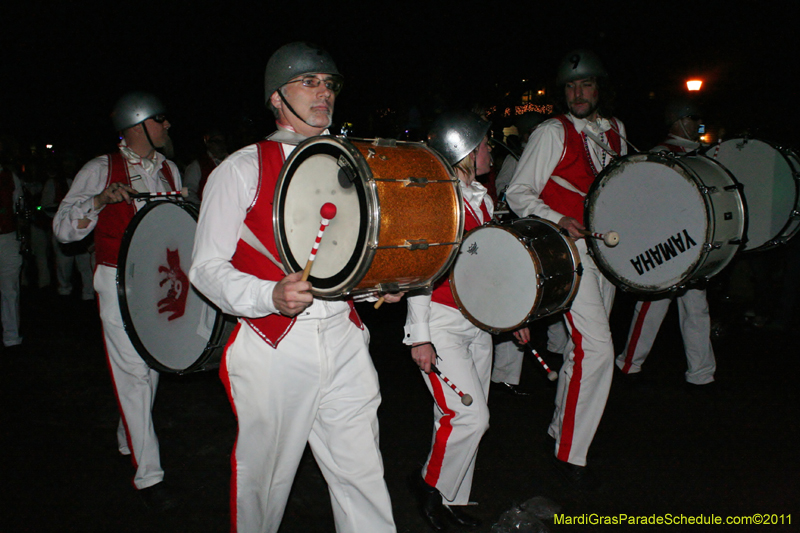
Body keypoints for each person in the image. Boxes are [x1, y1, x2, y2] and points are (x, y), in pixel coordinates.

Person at [189, 42, 399, 533]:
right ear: (276, 98)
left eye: (328, 83)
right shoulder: (241, 168)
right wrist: (269, 296)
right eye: (308, 82)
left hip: (344, 336)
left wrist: (373, 288)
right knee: (264, 484)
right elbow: (205, 268)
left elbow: (347, 256)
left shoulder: (352, 164)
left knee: (362, 473)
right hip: (273, 344)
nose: (322, 92)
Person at [53, 92, 181, 510]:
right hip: (116, 279)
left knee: (154, 366)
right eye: (160, 119)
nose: (167, 126)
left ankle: (129, 433)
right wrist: (98, 201)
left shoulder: (169, 170)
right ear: (138, 123)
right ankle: (150, 476)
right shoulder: (99, 168)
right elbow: (63, 230)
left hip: (159, 283)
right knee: (133, 375)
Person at [506, 49, 627, 488]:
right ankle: (569, 455)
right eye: (571, 86)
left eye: (586, 85)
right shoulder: (551, 132)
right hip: (569, 254)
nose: (578, 93)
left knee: (582, 350)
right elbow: (518, 193)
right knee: (598, 350)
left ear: (600, 89)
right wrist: (558, 219)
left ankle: (561, 429)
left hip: (607, 254)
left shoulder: (616, 131)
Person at [404, 111, 530, 531]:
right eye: (484, 144)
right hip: (440, 325)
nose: (490, 149)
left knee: (460, 417)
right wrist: (419, 336)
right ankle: (430, 487)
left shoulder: (484, 197)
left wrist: (510, 316)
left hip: (478, 324)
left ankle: (453, 502)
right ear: (463, 150)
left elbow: (488, 268)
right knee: (470, 417)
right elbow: (421, 270)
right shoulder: (438, 199)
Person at [616, 99, 716, 386]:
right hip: (668, 244)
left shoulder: (700, 154)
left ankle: (701, 372)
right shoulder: (662, 155)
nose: (699, 125)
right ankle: (629, 362)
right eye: (694, 118)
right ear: (679, 121)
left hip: (696, 243)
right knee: (652, 306)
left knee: (696, 307)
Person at [41, 157, 95, 300]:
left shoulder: (86, 181)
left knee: (85, 265)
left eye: (71, 160)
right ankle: (64, 292)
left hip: (83, 230)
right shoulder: (54, 183)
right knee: (64, 266)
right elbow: (45, 206)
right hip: (63, 229)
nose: (68, 164)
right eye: (65, 161)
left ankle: (88, 295)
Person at [0, 138, 24, 352]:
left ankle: (12, 337)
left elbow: (19, 206)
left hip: (7, 237)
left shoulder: (10, 176)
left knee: (10, 289)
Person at [182, 128, 228, 205]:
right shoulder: (198, 165)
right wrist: (201, 208)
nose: (221, 145)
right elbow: (189, 192)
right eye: (216, 141)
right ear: (208, 143)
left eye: (223, 141)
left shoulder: (233, 162)